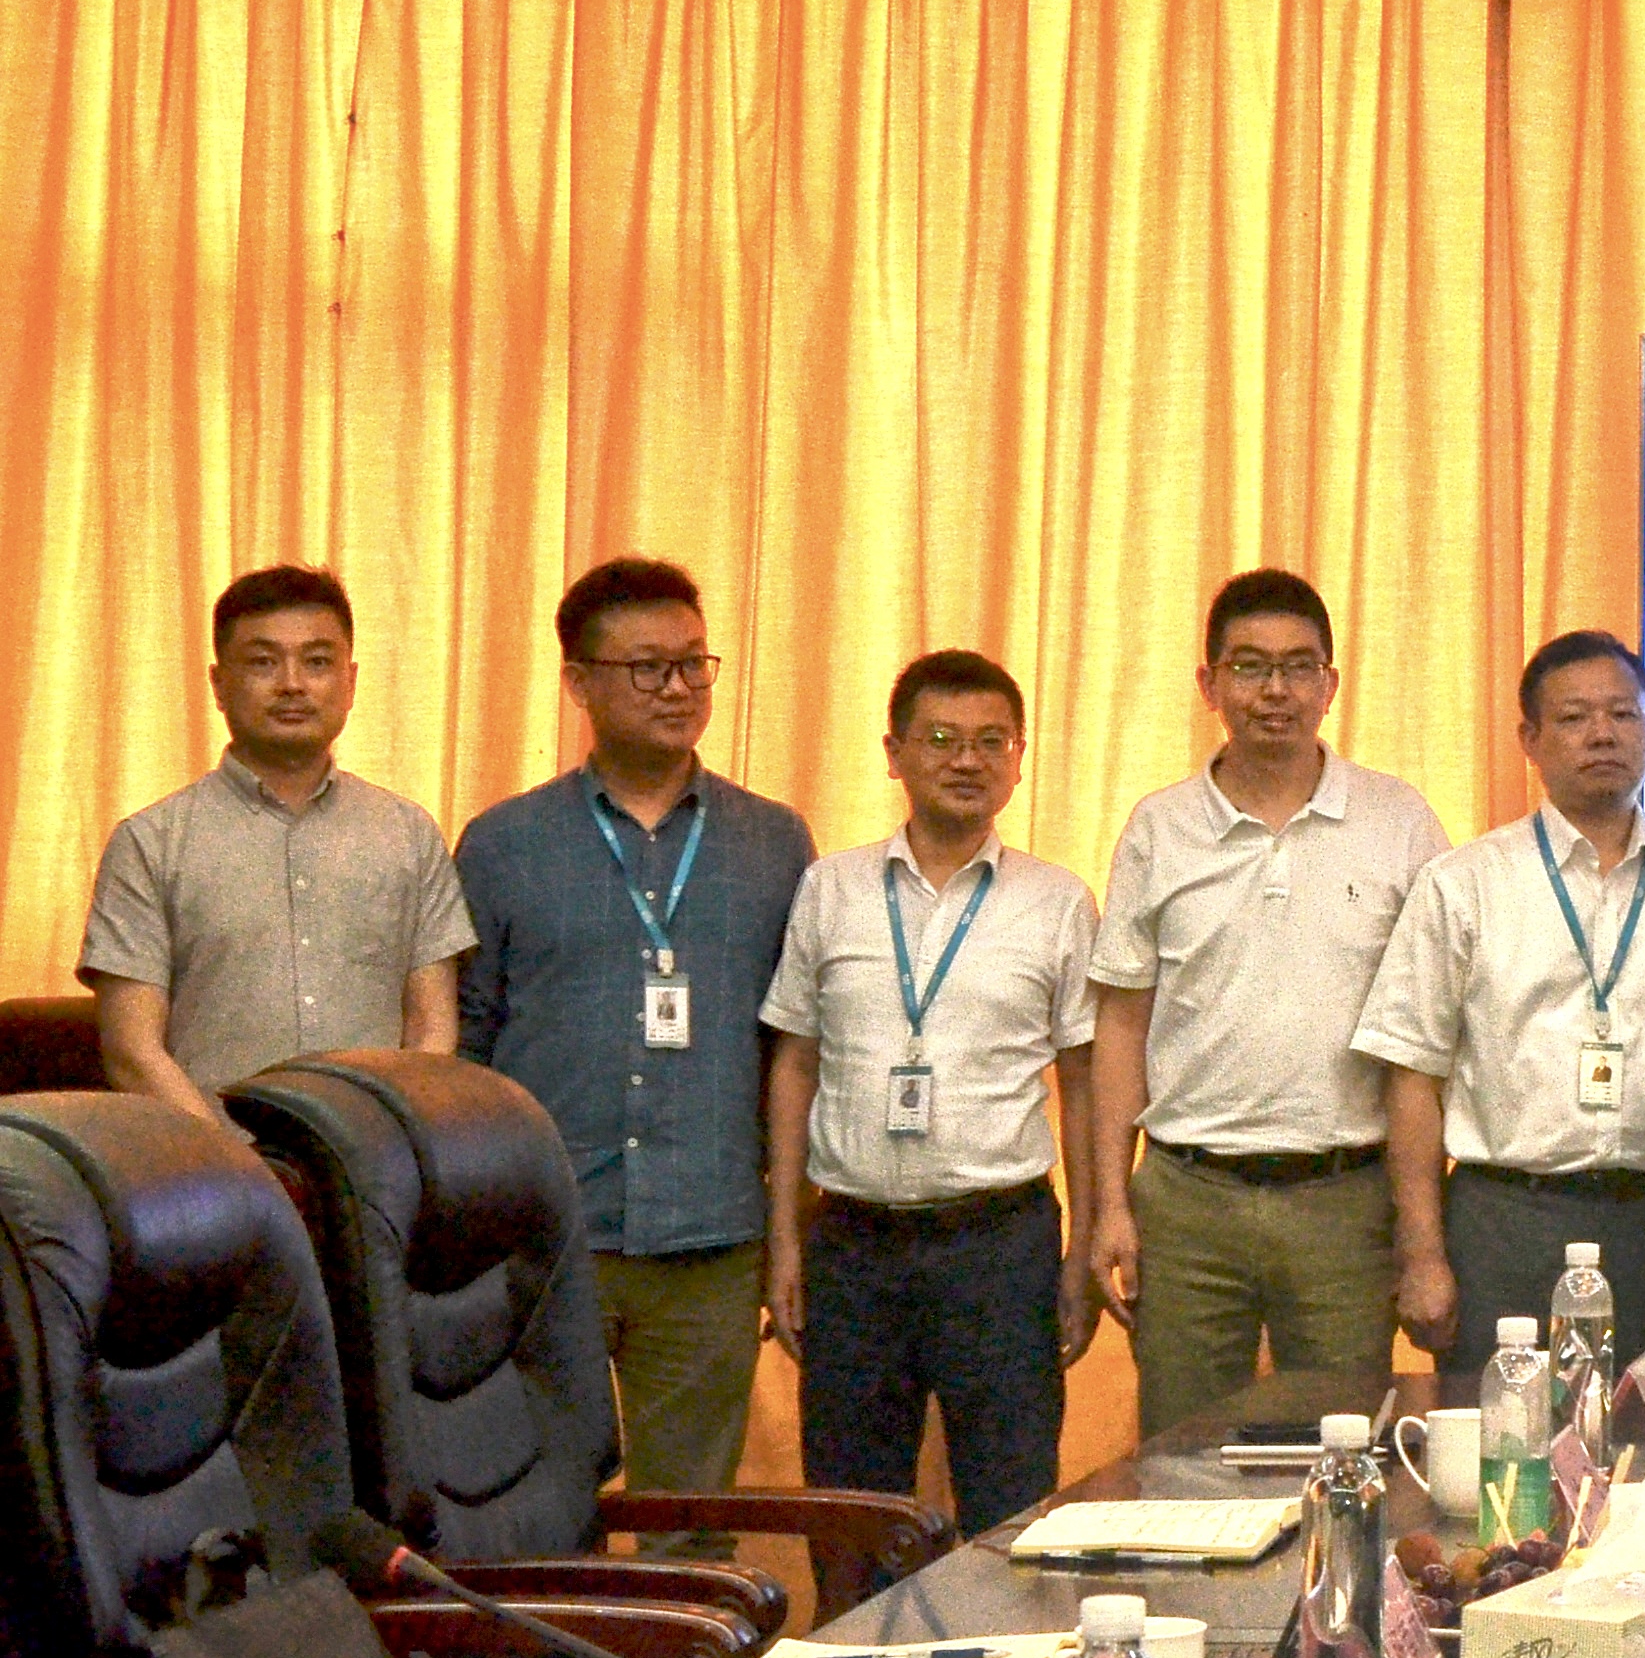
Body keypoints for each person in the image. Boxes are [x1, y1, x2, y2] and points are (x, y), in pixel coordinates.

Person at [456, 556, 817, 1515]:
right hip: (544, 1239)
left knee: (689, 1526)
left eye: (695, 664)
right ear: (579, 682)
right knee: (537, 1513)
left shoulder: (775, 843)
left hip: (711, 1235)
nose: (678, 688)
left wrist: (789, 1226)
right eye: (648, 667)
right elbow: (466, 1045)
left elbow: (797, 1050)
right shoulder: (502, 843)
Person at [1083, 570, 1448, 1437]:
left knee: (1344, 1457)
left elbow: (1430, 1038)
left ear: (1330, 683)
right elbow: (1122, 1024)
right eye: (1249, 667)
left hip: (1345, 1203)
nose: (1275, 690)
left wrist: (1420, 1231)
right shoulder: (1160, 826)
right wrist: (1111, 1204)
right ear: (1209, 684)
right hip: (1187, 1201)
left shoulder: (1398, 821)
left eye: (1297, 666)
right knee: (1180, 1457)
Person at [758, 651, 1098, 1532]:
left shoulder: (1058, 902)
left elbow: (1084, 1083)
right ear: (894, 753)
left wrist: (1084, 1247)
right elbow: (795, 1063)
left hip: (1001, 1246)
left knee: (1011, 1512)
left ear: (1019, 759)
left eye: (992, 741)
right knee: (852, 1513)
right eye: (941, 739)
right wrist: (786, 1240)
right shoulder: (830, 888)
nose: (967, 760)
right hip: (852, 1248)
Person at [1362, 631, 1645, 1381]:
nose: (1603, 734)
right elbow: (1412, 1075)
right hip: (1506, 1220)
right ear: (1530, 739)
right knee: (1500, 1440)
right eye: (1575, 717)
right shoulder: (1465, 883)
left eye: (1623, 714)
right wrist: (1421, 1255)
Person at [81, 564, 476, 1124]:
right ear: (219, 685)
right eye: (263, 662)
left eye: (317, 662)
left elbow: (432, 1028)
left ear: (350, 682)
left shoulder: (408, 834)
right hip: (207, 1162)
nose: (292, 684)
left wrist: (388, 1143)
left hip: (376, 1160)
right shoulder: (150, 843)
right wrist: (231, 1159)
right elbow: (132, 1052)